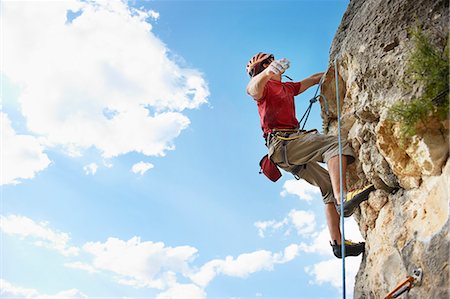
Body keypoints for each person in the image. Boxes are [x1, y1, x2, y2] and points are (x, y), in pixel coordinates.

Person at [246, 52, 375, 258]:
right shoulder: (263, 88)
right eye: (267, 64)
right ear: (261, 71)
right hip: (284, 144)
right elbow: (252, 89)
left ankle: (338, 243)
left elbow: (314, 80)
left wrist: (337, 70)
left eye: (272, 62)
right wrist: (266, 74)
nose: (273, 65)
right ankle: (343, 198)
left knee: (326, 187)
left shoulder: (287, 87)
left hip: (287, 153)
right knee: (334, 144)